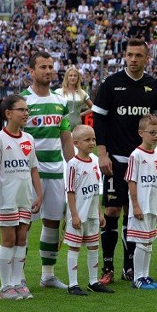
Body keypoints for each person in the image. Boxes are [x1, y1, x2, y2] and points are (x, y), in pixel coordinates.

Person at [92, 39, 157, 283]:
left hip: (144, 161)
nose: (134, 59)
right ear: (124, 56)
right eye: (130, 55)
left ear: (147, 58)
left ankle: (130, 266)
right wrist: (102, 153)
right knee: (113, 209)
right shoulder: (111, 84)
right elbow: (99, 119)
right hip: (115, 159)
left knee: (134, 213)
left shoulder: (153, 85)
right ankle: (108, 267)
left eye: (139, 55)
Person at [20, 51, 74, 290]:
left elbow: (66, 139)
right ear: (31, 71)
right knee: (24, 224)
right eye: (43, 67)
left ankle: (48, 275)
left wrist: (74, 169)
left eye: (51, 66)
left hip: (54, 171)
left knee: (52, 222)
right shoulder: (22, 102)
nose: (48, 71)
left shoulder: (60, 102)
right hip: (28, 172)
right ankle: (17, 276)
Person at [0, 95, 43, 300]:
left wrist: (39, 194)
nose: (26, 113)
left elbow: (33, 169)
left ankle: (18, 282)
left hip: (24, 198)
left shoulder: (29, 139)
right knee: (9, 239)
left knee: (22, 239)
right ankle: (5, 287)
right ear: (8, 114)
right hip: (6, 198)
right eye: (22, 110)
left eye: (27, 109)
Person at [64, 125, 114, 296]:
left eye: (93, 139)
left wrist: (100, 212)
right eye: (87, 140)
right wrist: (74, 215)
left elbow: (95, 191)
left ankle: (93, 281)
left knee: (93, 246)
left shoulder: (94, 161)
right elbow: (70, 191)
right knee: (75, 247)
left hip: (92, 214)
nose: (92, 142)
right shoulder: (73, 164)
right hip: (78, 214)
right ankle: (73, 284)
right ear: (76, 143)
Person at [126, 114, 157, 289]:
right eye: (152, 132)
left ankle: (146, 276)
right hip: (140, 206)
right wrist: (135, 205)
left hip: (151, 206)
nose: (155, 136)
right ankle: (138, 278)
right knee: (141, 242)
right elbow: (131, 181)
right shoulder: (136, 155)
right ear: (141, 133)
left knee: (149, 242)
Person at [53, 66, 93, 131]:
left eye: (75, 76)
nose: (73, 77)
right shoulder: (59, 92)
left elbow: (93, 108)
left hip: (77, 126)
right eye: (70, 75)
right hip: (62, 126)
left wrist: (82, 114)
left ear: (78, 78)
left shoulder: (82, 93)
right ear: (67, 77)